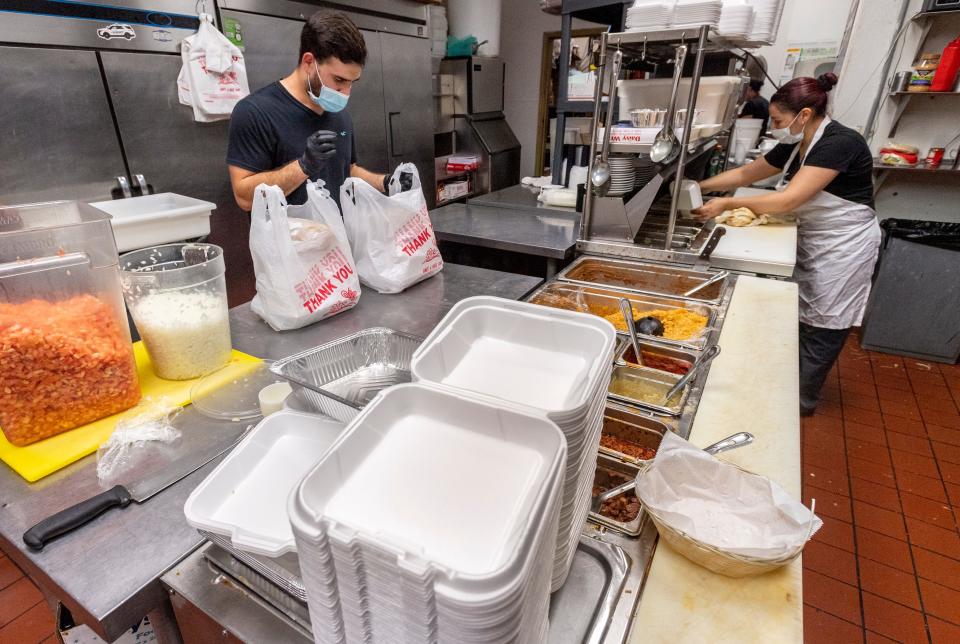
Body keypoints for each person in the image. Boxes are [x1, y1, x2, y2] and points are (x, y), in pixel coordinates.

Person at [693, 73, 880, 416]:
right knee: (802, 315)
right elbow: (747, 174)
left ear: (804, 115)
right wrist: (696, 186)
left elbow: (788, 199)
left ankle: (800, 402)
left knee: (825, 321)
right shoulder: (797, 142)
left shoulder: (840, 142)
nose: (775, 126)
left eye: (778, 120)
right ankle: (785, 386)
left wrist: (728, 205)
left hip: (844, 244)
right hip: (814, 235)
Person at [226, 10, 391, 211]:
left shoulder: (338, 112)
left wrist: (386, 182)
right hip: (287, 241)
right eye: (339, 80)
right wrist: (304, 166)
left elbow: (346, 171)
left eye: (352, 82)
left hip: (337, 240)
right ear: (308, 62)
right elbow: (244, 198)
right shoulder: (254, 112)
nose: (345, 93)